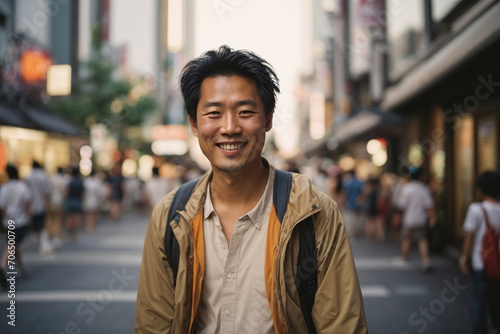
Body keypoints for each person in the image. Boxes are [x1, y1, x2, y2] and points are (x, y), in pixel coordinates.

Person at [135, 45, 366, 333]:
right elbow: (152, 325)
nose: (230, 127)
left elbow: (342, 326)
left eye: (245, 112)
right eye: (214, 113)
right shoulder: (170, 216)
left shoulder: (315, 213)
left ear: (268, 119)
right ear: (194, 123)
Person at [459, 171, 500, 334]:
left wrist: (463, 258)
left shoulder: (476, 208)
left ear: (480, 189)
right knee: (496, 299)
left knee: (478, 301)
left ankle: (480, 330)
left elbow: (470, 236)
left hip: (480, 261)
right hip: (498, 263)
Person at [399, 166, 436, 273]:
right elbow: (429, 206)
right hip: (420, 219)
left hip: (408, 219)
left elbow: (402, 205)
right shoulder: (423, 188)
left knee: (406, 239)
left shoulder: (406, 188)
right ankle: (426, 261)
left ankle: (404, 259)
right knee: (422, 240)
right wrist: (433, 218)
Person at [0, 165, 31, 277]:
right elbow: (27, 204)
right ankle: (3, 264)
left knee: (14, 244)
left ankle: (20, 267)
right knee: (13, 244)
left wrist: (6, 214)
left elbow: (2, 206)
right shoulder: (22, 187)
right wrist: (28, 216)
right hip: (19, 219)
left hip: (7, 220)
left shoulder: (4, 188)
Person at [25, 161, 52, 255]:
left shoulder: (28, 177)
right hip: (41, 203)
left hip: (31, 203)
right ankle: (43, 240)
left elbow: (26, 192)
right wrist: (47, 203)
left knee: (35, 221)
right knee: (42, 222)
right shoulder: (43, 176)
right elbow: (47, 191)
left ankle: (36, 235)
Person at [48, 167, 69, 248]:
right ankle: (58, 236)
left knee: (51, 218)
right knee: (58, 219)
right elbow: (65, 192)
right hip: (59, 200)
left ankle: (50, 234)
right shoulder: (63, 180)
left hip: (52, 199)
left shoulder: (51, 178)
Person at [342, 169, 364, 238]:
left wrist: (344, 201)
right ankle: (355, 232)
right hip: (357, 203)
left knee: (349, 220)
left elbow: (344, 194)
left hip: (349, 203)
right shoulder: (360, 182)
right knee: (356, 219)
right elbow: (362, 193)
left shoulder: (347, 183)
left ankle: (350, 233)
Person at [64, 167, 85, 240]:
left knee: (69, 216)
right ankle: (75, 231)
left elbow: (67, 192)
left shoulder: (69, 182)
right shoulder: (80, 182)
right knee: (77, 216)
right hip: (78, 200)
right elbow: (83, 193)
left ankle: (69, 231)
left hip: (70, 200)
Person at [83, 169, 105, 233]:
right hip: (95, 200)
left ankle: (88, 226)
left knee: (88, 214)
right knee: (94, 214)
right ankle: (93, 226)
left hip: (87, 199)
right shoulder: (96, 182)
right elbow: (100, 192)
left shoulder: (86, 182)